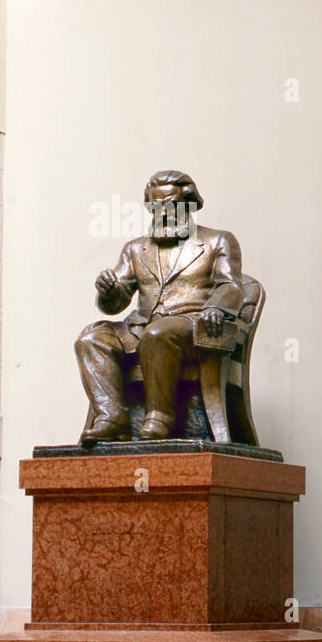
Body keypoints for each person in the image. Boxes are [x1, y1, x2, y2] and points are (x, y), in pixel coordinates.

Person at [76, 170, 244, 442]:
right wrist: (108, 291)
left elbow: (231, 286)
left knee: (158, 334)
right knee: (91, 338)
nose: (162, 212)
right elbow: (115, 303)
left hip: (192, 325)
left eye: (170, 205)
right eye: (155, 207)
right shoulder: (135, 249)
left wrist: (216, 308)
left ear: (189, 205)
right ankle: (112, 416)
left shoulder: (218, 241)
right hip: (141, 327)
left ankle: (160, 417)